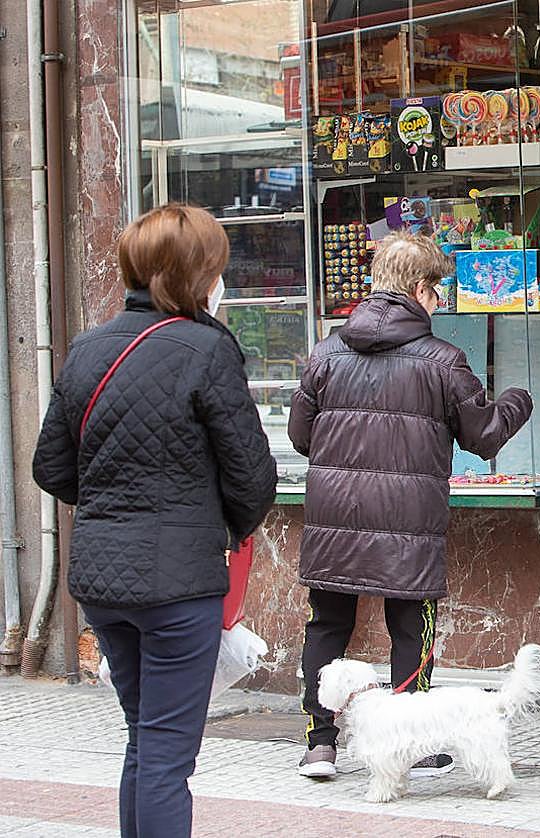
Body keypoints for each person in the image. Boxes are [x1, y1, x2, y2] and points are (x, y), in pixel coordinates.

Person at [32, 204, 278, 837]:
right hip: (178, 585)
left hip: (101, 580)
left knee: (145, 740)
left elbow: (51, 470)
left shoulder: (87, 347)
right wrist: (217, 524)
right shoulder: (206, 348)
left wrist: (118, 500)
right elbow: (252, 478)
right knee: (168, 755)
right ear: (199, 274)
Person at [289, 231, 533, 779]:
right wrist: (519, 398)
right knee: (410, 624)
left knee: (327, 624)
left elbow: (300, 436)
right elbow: (485, 435)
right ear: (421, 289)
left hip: (336, 518)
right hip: (407, 521)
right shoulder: (442, 361)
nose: (439, 302)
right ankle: (417, 747)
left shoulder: (325, 353)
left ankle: (319, 745)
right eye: (437, 291)